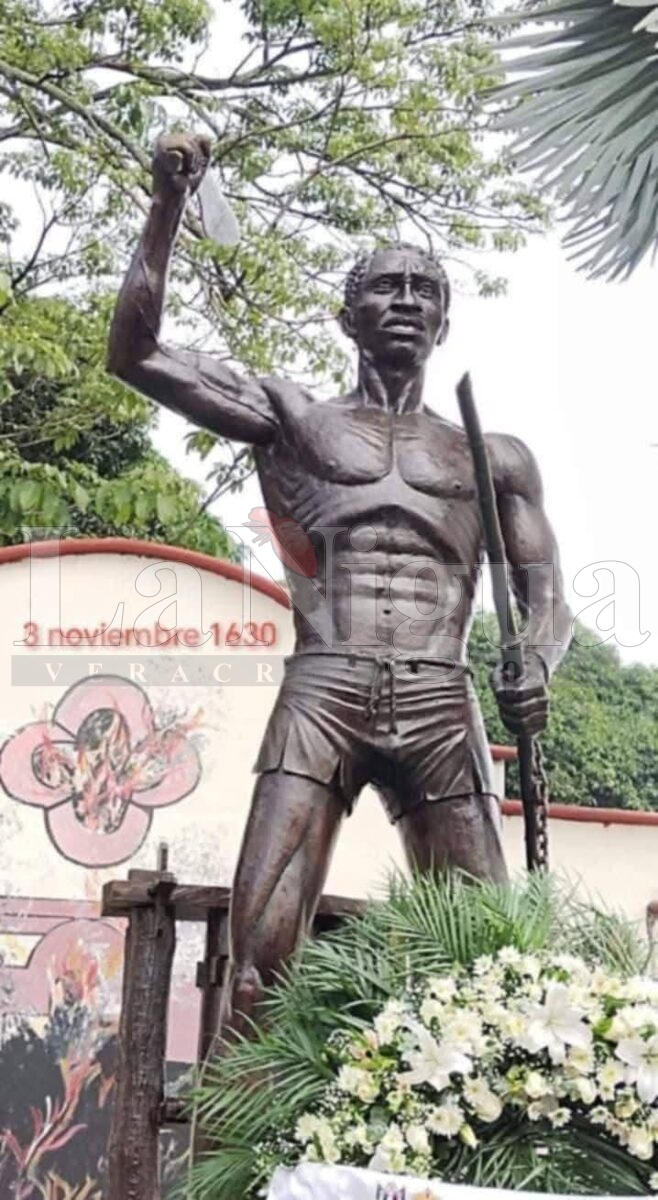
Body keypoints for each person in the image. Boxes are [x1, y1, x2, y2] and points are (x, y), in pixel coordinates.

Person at [107, 133, 571, 1037]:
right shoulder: (295, 421)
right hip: (326, 688)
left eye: (425, 291)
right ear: (347, 313)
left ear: (445, 324)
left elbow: (545, 594)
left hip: (445, 697)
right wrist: (166, 205)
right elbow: (136, 352)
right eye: (385, 287)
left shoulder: (493, 455)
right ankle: (230, 1168)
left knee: (489, 963)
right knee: (261, 959)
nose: (406, 301)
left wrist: (538, 664)